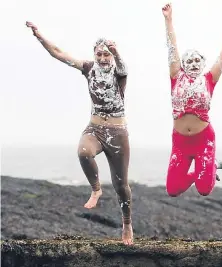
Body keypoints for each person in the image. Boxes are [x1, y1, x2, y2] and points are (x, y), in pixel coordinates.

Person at [25, 21, 134, 245]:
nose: (103, 58)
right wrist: (39, 36)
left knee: (121, 185)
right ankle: (95, 189)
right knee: (84, 152)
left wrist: (116, 52)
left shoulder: (119, 72)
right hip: (95, 127)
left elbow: (123, 66)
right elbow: (58, 53)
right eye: (99, 54)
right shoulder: (88, 68)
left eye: (106, 54)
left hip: (117, 132)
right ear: (94, 55)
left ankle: (126, 223)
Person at [162, 3, 222, 197]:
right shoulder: (176, 76)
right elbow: (172, 47)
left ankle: (212, 166)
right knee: (173, 190)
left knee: (204, 189)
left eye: (196, 60)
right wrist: (168, 19)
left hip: (203, 140)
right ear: (183, 64)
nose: (193, 63)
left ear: (203, 63)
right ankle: (209, 168)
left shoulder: (209, 79)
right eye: (188, 61)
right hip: (180, 142)